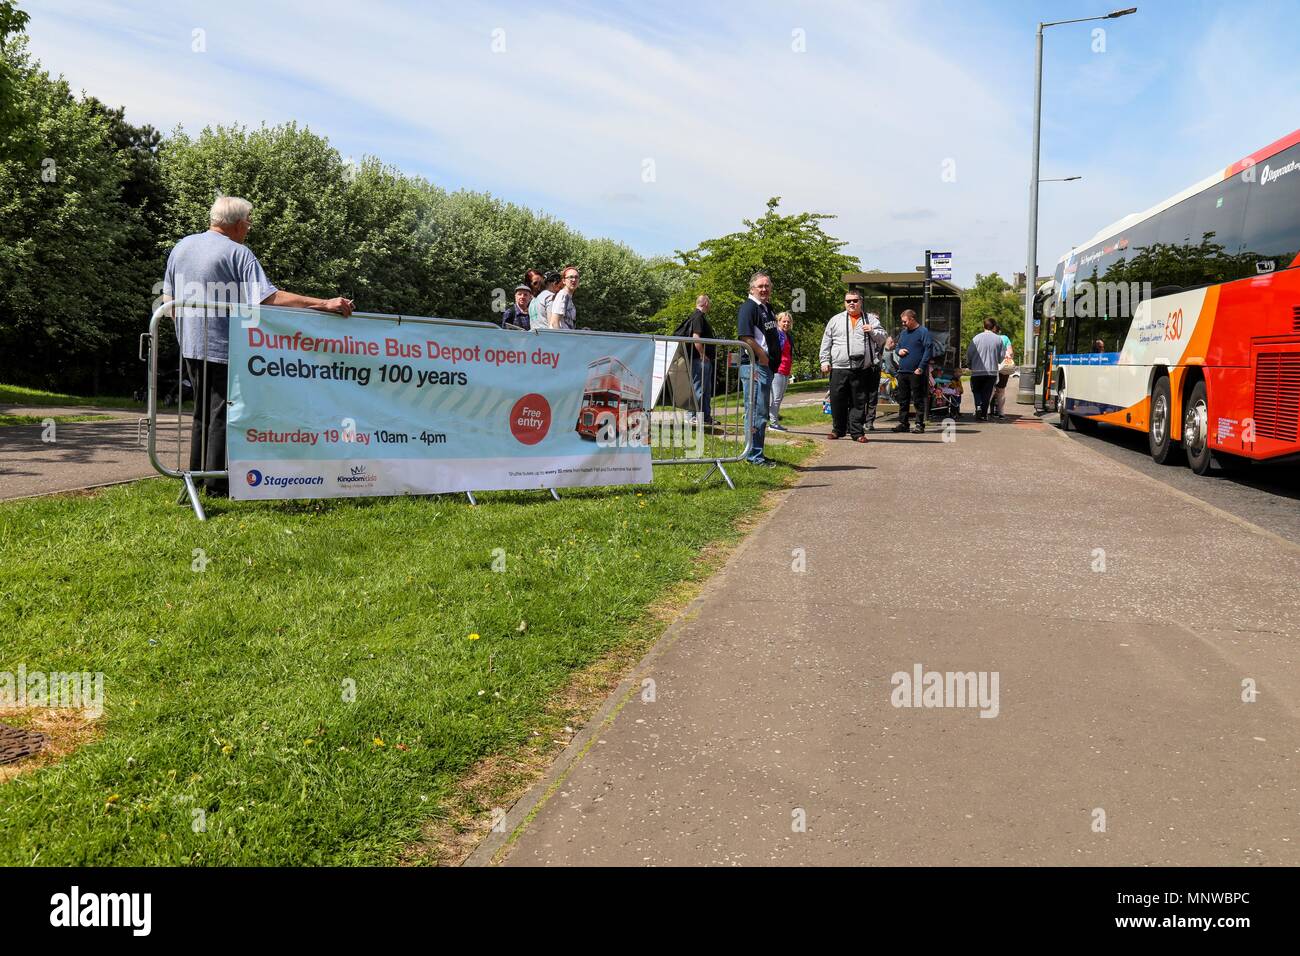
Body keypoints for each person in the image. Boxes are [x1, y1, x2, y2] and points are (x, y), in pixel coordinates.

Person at [162, 195, 353, 497]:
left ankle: (196, 477)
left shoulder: (181, 246)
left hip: (190, 344)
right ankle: (216, 486)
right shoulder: (239, 253)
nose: (249, 227)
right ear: (237, 223)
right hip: (223, 346)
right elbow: (267, 298)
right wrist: (323, 303)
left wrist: (184, 332)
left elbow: (168, 300)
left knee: (201, 413)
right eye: (249, 221)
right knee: (222, 414)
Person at [819, 292, 885, 442]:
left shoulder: (870, 319)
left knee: (859, 401)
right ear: (844, 303)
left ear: (861, 302)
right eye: (848, 301)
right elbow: (826, 342)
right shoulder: (835, 320)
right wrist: (824, 361)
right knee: (837, 400)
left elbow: (882, 339)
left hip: (861, 368)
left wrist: (873, 331)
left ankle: (857, 432)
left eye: (855, 300)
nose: (852, 303)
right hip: (838, 367)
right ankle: (838, 430)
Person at [737, 271, 781, 466]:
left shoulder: (767, 307)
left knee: (761, 412)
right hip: (754, 366)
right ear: (751, 288)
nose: (764, 289)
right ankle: (754, 456)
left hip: (767, 367)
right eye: (760, 286)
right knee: (756, 411)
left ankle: (758, 452)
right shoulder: (748, 308)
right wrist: (762, 356)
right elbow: (745, 337)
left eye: (767, 286)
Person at [891, 309, 933, 433]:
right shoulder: (904, 333)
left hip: (916, 371)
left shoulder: (923, 332)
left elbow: (928, 349)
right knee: (903, 399)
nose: (903, 324)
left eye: (905, 321)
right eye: (902, 322)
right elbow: (897, 345)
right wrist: (898, 351)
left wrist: (921, 367)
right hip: (903, 371)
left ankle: (920, 423)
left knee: (918, 398)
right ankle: (903, 423)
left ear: (912, 319)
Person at [684, 294, 716, 424]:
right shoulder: (697, 317)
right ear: (706, 303)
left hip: (702, 360)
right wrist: (702, 354)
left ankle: (705, 417)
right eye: (709, 303)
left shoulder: (698, 317)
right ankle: (691, 416)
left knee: (706, 390)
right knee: (698, 389)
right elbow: (696, 337)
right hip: (699, 360)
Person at [966, 318, 1005, 422]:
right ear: (994, 327)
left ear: (984, 326)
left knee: (976, 390)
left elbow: (969, 353)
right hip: (991, 372)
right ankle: (983, 415)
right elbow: (1001, 357)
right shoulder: (998, 339)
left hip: (976, 371)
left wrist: (970, 364)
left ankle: (978, 405)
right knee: (987, 393)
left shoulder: (976, 338)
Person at [768, 312, 795, 430]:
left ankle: (774, 422)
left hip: (785, 369)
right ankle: (773, 423)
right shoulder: (777, 335)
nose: (786, 323)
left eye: (788, 321)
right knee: (776, 397)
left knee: (779, 397)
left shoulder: (787, 336)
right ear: (778, 322)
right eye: (783, 321)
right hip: (778, 369)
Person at [992, 321, 1015, 421]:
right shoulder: (1005, 338)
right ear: (999, 331)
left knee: (990, 390)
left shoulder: (988, 338)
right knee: (1001, 391)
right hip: (1003, 368)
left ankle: (985, 410)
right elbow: (1010, 353)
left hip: (990, 367)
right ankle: (1001, 412)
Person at [546, 265, 579, 329]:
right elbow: (554, 322)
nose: (574, 280)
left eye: (576, 277)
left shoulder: (568, 297)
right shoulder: (563, 295)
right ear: (564, 281)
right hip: (560, 337)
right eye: (570, 277)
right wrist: (559, 338)